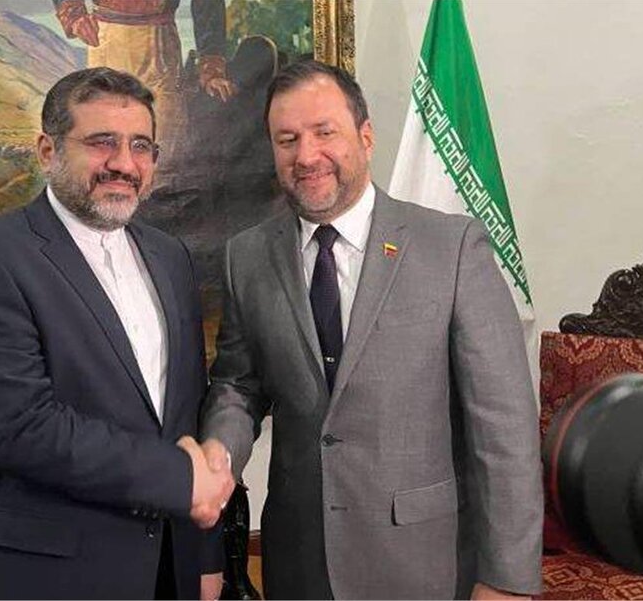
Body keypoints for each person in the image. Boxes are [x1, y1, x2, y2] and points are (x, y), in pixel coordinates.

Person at [200, 60, 543, 599]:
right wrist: (219, 455)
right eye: (287, 139)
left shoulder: (453, 248)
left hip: (422, 563)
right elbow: (238, 385)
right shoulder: (246, 256)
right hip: (299, 561)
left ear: (365, 136)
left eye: (324, 132)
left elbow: (505, 427)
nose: (306, 155)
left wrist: (507, 579)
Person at [0, 67, 234, 600]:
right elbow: (17, 427)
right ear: (48, 151)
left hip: (171, 571)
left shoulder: (169, 256)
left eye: (140, 146)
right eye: (102, 142)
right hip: (48, 579)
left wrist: (205, 556)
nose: (123, 163)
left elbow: (186, 411)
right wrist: (180, 479)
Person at [52, 0, 236, 175]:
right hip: (106, 42)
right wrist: (74, 15)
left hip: (160, 49)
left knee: (164, 153)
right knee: (103, 152)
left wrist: (212, 67)